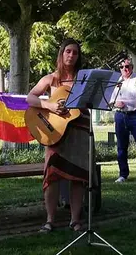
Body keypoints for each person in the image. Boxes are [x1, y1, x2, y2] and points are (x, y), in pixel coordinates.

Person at [27, 39, 89, 232]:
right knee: (52, 176)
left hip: (79, 131)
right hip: (55, 134)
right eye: (68, 51)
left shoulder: (83, 80)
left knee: (78, 177)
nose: (71, 55)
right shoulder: (51, 79)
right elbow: (31, 97)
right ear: (62, 54)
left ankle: (75, 220)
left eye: (75, 53)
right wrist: (50, 105)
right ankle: (50, 220)